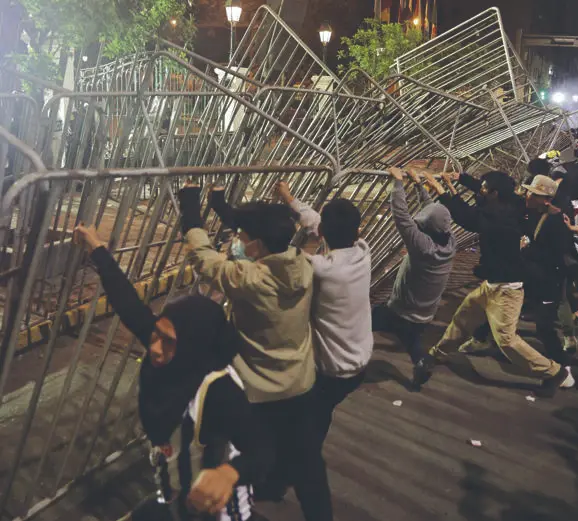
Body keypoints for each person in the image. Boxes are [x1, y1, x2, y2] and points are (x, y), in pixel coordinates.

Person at [73, 224, 271, 521]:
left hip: (216, 511)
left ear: (194, 346)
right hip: (176, 494)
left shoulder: (217, 388)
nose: (155, 348)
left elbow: (263, 449)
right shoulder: (172, 353)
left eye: (169, 342)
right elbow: (129, 305)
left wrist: (229, 473)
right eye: (157, 334)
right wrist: (97, 249)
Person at [179, 184, 333, 521]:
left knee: (243, 451)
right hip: (301, 383)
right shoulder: (302, 264)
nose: (238, 241)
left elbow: (203, 258)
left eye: (242, 237)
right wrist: (220, 203)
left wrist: (190, 206)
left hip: (260, 390)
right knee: (309, 467)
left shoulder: (250, 279)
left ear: (258, 245)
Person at [416, 170, 570, 396]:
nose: (526, 195)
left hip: (506, 289)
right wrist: (459, 179)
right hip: (493, 283)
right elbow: (486, 193)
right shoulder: (516, 204)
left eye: (533, 193)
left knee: (507, 341)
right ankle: (436, 354)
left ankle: (555, 372)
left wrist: (440, 189)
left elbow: (466, 216)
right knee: (462, 319)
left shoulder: (503, 218)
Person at [273, 181, 372, 444]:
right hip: (361, 359)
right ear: (358, 231)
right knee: (319, 411)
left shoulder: (321, 268)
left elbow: (285, 256)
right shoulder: (363, 251)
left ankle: (302, 456)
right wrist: (289, 198)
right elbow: (316, 222)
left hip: (335, 369)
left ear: (324, 232)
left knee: (311, 417)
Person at [372, 167, 456, 388]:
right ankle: (421, 363)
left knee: (365, 321)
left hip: (402, 309)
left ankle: (341, 354)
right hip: (424, 313)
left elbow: (402, 217)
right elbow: (432, 213)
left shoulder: (422, 246)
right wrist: (419, 185)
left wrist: (398, 183)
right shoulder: (450, 240)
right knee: (411, 341)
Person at [520, 175, 577, 387]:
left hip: (549, 281)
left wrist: (527, 250)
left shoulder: (556, 221)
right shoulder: (535, 214)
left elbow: (556, 255)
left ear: (546, 199)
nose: (528, 196)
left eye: (533, 194)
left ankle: (563, 367)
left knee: (544, 326)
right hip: (537, 278)